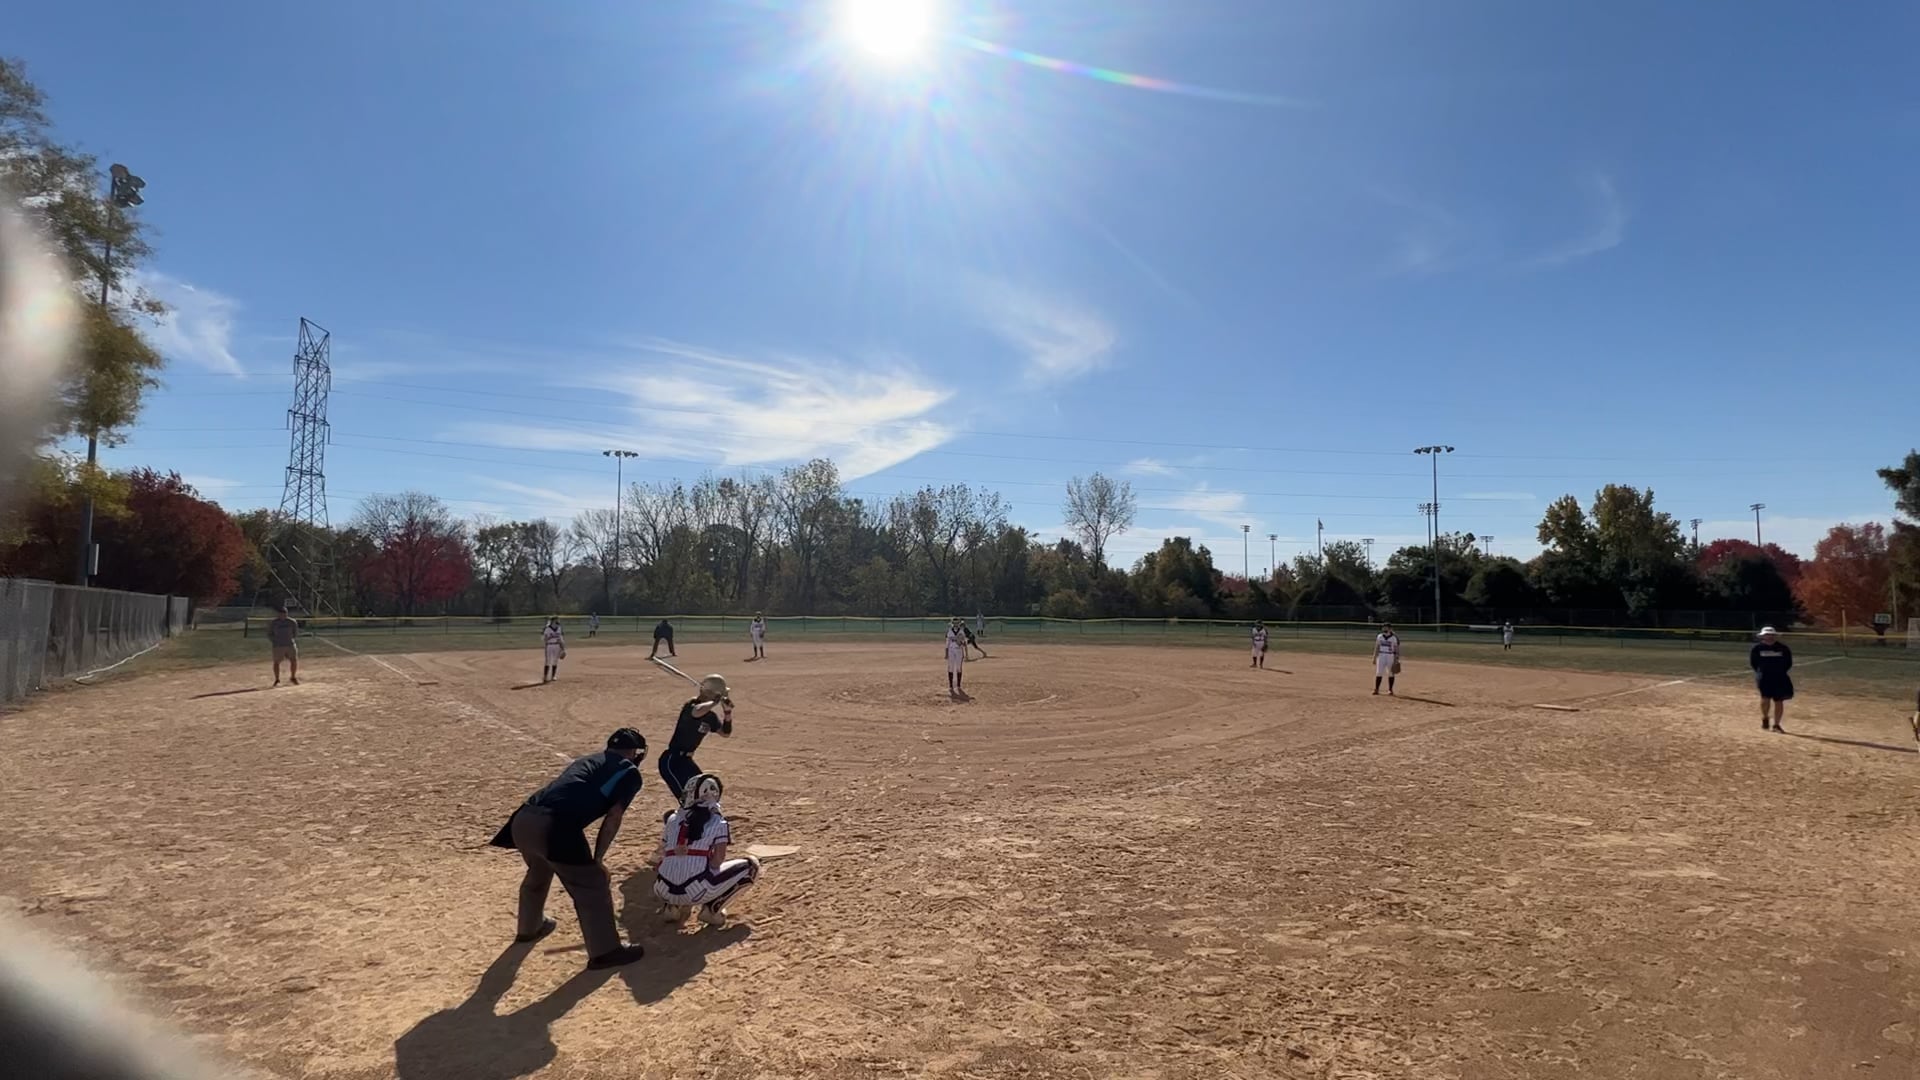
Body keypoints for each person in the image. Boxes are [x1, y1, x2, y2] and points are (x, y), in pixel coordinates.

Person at [487, 728, 650, 970]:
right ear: (634, 752)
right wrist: (597, 860)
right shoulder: (629, 772)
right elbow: (613, 817)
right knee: (592, 885)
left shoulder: (587, 760)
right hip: (555, 825)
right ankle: (605, 952)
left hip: (523, 819)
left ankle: (529, 927)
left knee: (539, 869)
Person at [652, 772, 760, 927]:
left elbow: (659, 856)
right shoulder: (718, 822)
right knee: (751, 866)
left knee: (673, 863)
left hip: (662, 889)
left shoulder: (672, 819)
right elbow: (717, 861)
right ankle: (711, 910)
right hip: (697, 892)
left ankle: (671, 906)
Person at [659, 675, 732, 803]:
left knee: (703, 790)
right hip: (672, 761)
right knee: (688, 799)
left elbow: (725, 733)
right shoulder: (691, 706)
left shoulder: (710, 716)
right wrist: (714, 702)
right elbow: (696, 712)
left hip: (687, 761)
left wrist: (727, 713)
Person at [1750, 626, 1794, 732]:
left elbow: (1788, 663)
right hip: (1764, 678)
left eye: (1771, 635)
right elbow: (1754, 663)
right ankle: (1765, 717)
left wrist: (1779, 672)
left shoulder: (1783, 648)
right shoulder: (1757, 648)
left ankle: (1776, 725)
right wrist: (1761, 672)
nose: (1769, 636)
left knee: (1779, 700)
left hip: (1780, 677)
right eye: (1767, 635)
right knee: (1765, 698)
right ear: (1763, 636)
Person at [267, 603, 300, 687]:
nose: (283, 615)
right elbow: (270, 634)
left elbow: (295, 633)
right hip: (278, 646)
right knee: (276, 662)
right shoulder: (274, 623)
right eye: (281, 613)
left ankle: (293, 677)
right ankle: (277, 679)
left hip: (290, 644)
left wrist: (290, 639)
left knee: (294, 660)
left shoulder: (292, 622)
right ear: (278, 614)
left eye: (285, 613)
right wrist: (274, 641)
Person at [1372, 622, 1401, 696]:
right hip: (1381, 655)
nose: (1384, 628)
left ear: (1390, 629)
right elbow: (1377, 647)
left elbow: (1397, 649)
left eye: (1386, 627)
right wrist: (1374, 657)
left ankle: (1390, 690)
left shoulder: (1394, 638)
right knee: (1379, 672)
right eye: (1383, 627)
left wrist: (1396, 658)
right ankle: (1376, 689)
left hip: (1390, 655)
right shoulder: (1380, 636)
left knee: (1391, 673)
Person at [541, 616, 567, 684]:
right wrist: (548, 638)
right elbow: (543, 639)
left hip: (557, 646)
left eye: (558, 620)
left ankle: (553, 676)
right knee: (548, 661)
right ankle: (545, 676)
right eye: (556, 620)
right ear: (552, 621)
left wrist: (563, 649)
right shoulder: (547, 629)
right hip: (549, 645)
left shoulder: (559, 628)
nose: (557, 621)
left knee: (555, 661)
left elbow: (561, 639)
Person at [946, 618, 967, 696]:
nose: (955, 624)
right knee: (950, 667)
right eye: (954, 623)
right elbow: (947, 643)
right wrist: (946, 653)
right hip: (951, 650)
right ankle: (951, 685)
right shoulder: (949, 631)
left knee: (958, 668)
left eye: (957, 623)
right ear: (952, 623)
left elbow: (964, 643)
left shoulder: (961, 631)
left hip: (959, 650)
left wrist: (961, 642)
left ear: (958, 623)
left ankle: (958, 685)